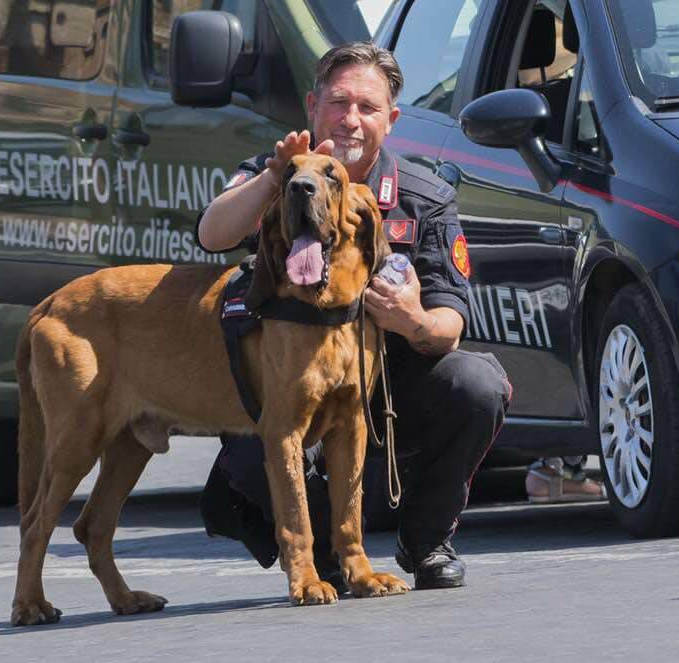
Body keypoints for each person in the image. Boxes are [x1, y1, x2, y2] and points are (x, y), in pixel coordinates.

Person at [196, 42, 512, 591]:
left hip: (392, 403)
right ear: (312, 106)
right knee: (252, 453)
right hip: (299, 400)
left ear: (390, 120)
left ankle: (427, 541)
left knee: (478, 383)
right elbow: (212, 233)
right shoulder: (280, 177)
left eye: (367, 107)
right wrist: (272, 181)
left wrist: (411, 319)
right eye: (338, 103)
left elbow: (451, 324)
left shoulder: (425, 197)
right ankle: (320, 555)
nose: (350, 120)